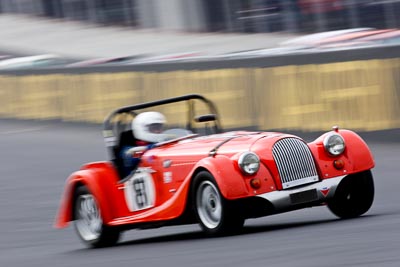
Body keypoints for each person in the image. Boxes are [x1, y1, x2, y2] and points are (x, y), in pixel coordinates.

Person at [120, 111, 167, 177]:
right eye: (154, 128)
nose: (158, 131)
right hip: (135, 179)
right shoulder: (128, 150)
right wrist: (151, 148)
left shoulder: (159, 142)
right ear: (142, 129)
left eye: (159, 128)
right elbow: (147, 159)